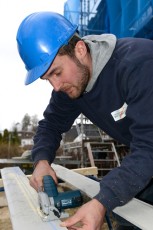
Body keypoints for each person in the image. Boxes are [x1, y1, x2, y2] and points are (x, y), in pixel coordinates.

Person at [16, 11, 153, 230]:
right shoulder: (72, 85)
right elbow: (50, 125)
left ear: (80, 50)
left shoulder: (138, 65)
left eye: (56, 72)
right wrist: (41, 160)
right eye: (47, 79)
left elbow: (149, 147)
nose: (56, 86)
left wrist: (102, 201)